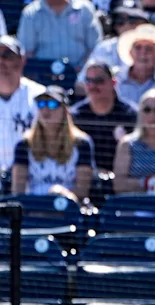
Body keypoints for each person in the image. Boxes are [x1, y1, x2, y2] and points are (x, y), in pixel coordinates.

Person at [11, 85, 93, 202]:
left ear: (65, 110)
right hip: (34, 209)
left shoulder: (82, 144)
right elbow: (18, 190)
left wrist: (61, 194)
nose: (45, 110)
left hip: (68, 208)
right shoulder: (24, 144)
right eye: (41, 104)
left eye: (52, 104)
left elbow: (82, 190)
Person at [71, 60, 138, 174]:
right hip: (85, 177)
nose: (92, 86)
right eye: (88, 81)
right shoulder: (75, 115)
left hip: (121, 177)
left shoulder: (130, 114)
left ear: (113, 83)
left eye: (99, 81)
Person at [0, 36, 44, 180]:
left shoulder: (40, 96)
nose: (1, 61)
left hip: (31, 177)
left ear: (21, 61)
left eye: (7, 55)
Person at [16, 0, 102, 69]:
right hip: (43, 77)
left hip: (81, 77)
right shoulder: (31, 13)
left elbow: (95, 47)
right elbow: (26, 52)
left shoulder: (85, 9)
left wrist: (81, 69)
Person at [115, 23, 155, 106]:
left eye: (149, 49)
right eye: (138, 48)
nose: (143, 53)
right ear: (130, 52)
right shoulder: (116, 77)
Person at [86, 0, 150, 71]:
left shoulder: (152, 48)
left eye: (132, 20)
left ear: (143, 23)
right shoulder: (104, 48)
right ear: (114, 25)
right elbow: (84, 79)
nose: (127, 25)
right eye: (120, 20)